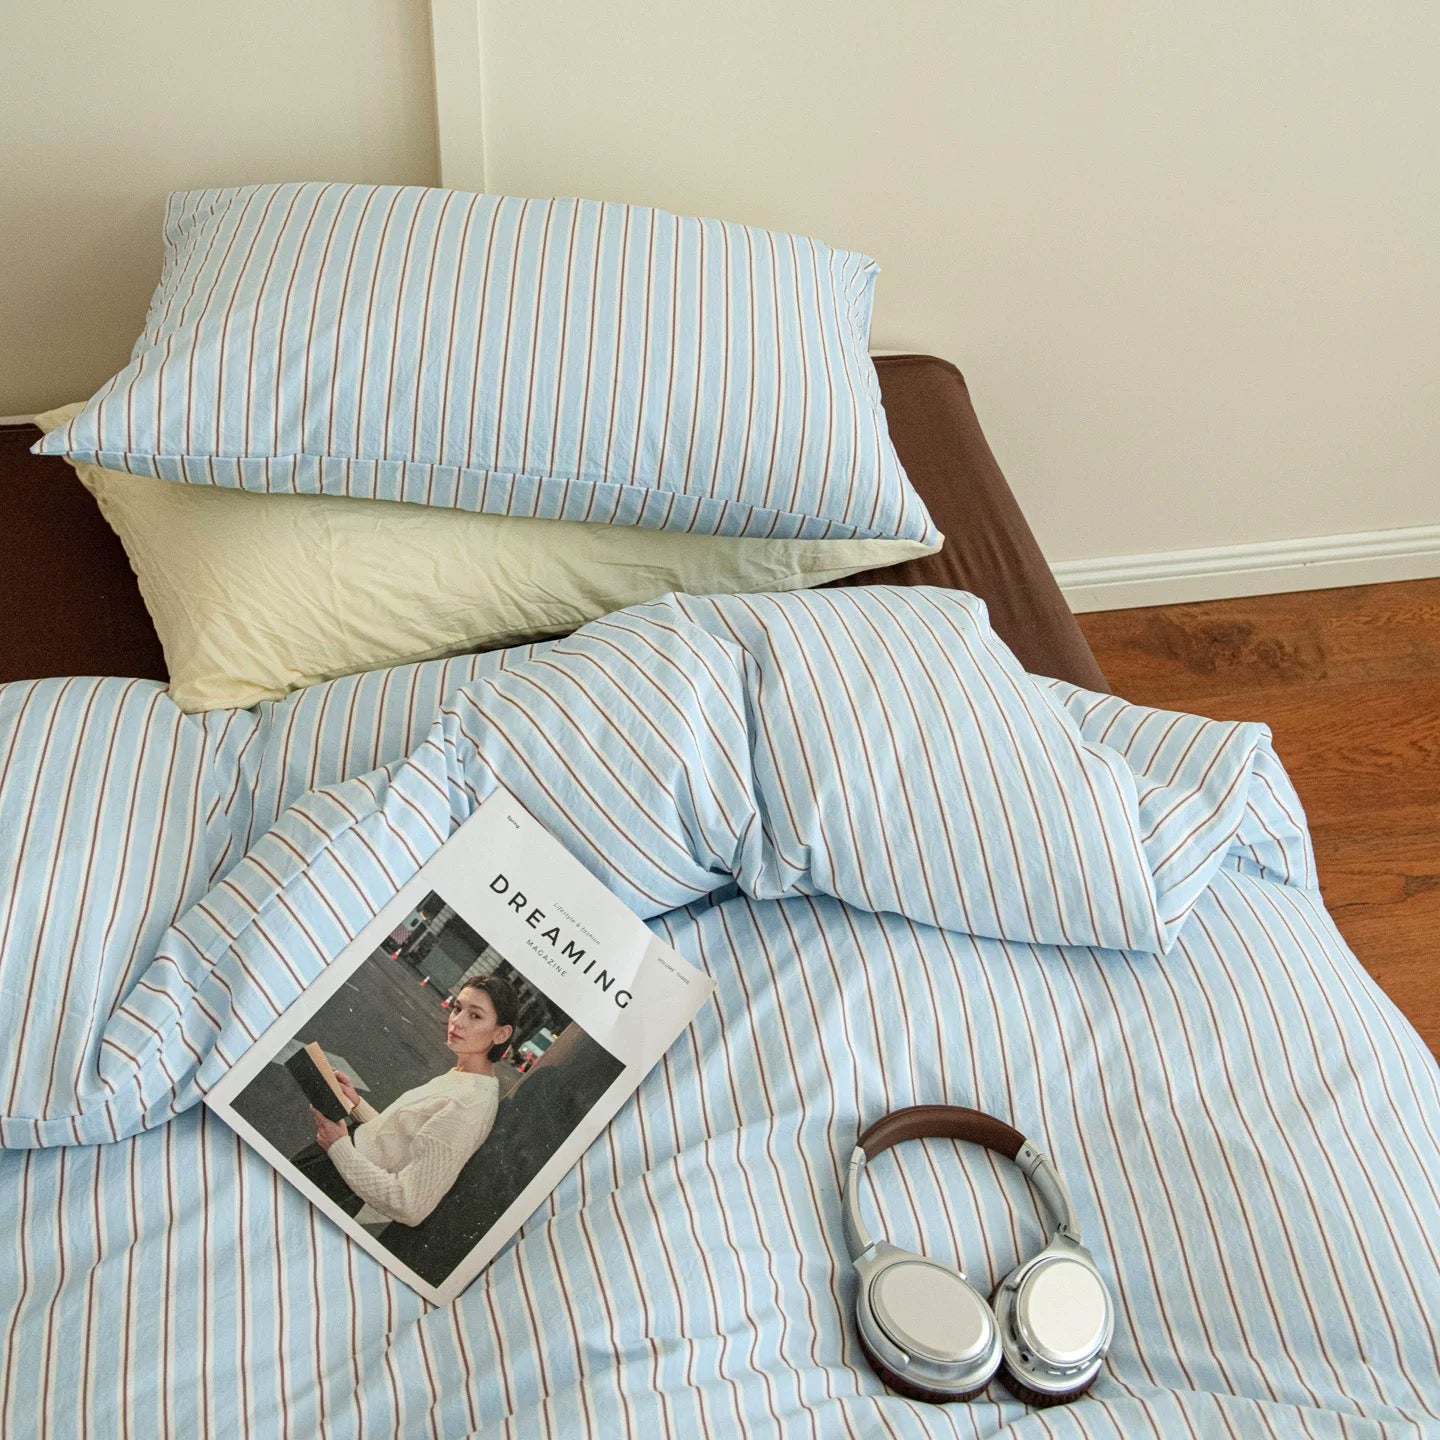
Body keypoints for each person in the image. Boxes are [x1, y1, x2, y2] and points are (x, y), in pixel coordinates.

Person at [309, 975, 517, 1228]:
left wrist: (338, 1146)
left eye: (475, 1016)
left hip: (338, 1182)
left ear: (501, 1033)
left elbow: (410, 1205)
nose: (457, 1022)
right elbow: (401, 1141)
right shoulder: (464, 1077)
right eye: (458, 1008)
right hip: (338, 1163)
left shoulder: (471, 1104)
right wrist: (356, 1105)